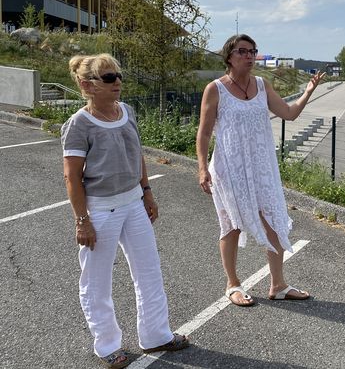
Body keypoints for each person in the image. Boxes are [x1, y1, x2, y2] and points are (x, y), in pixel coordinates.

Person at [62, 54, 189, 368]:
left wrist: (147, 192)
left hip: (133, 203)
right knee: (97, 281)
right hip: (101, 210)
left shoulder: (127, 112)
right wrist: (82, 220)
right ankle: (107, 345)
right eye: (108, 78)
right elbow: (71, 176)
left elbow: (138, 154)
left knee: (149, 271)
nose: (117, 82)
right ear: (86, 85)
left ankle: (156, 334)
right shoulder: (79, 123)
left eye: (118, 76)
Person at [196, 34, 325, 306]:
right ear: (229, 56)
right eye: (243, 51)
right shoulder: (215, 89)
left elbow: (289, 114)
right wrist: (201, 168)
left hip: (262, 167)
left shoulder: (262, 85)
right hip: (229, 169)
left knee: (275, 221)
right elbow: (204, 132)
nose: (250, 56)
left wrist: (308, 91)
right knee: (231, 225)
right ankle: (232, 284)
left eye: (253, 51)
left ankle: (278, 285)